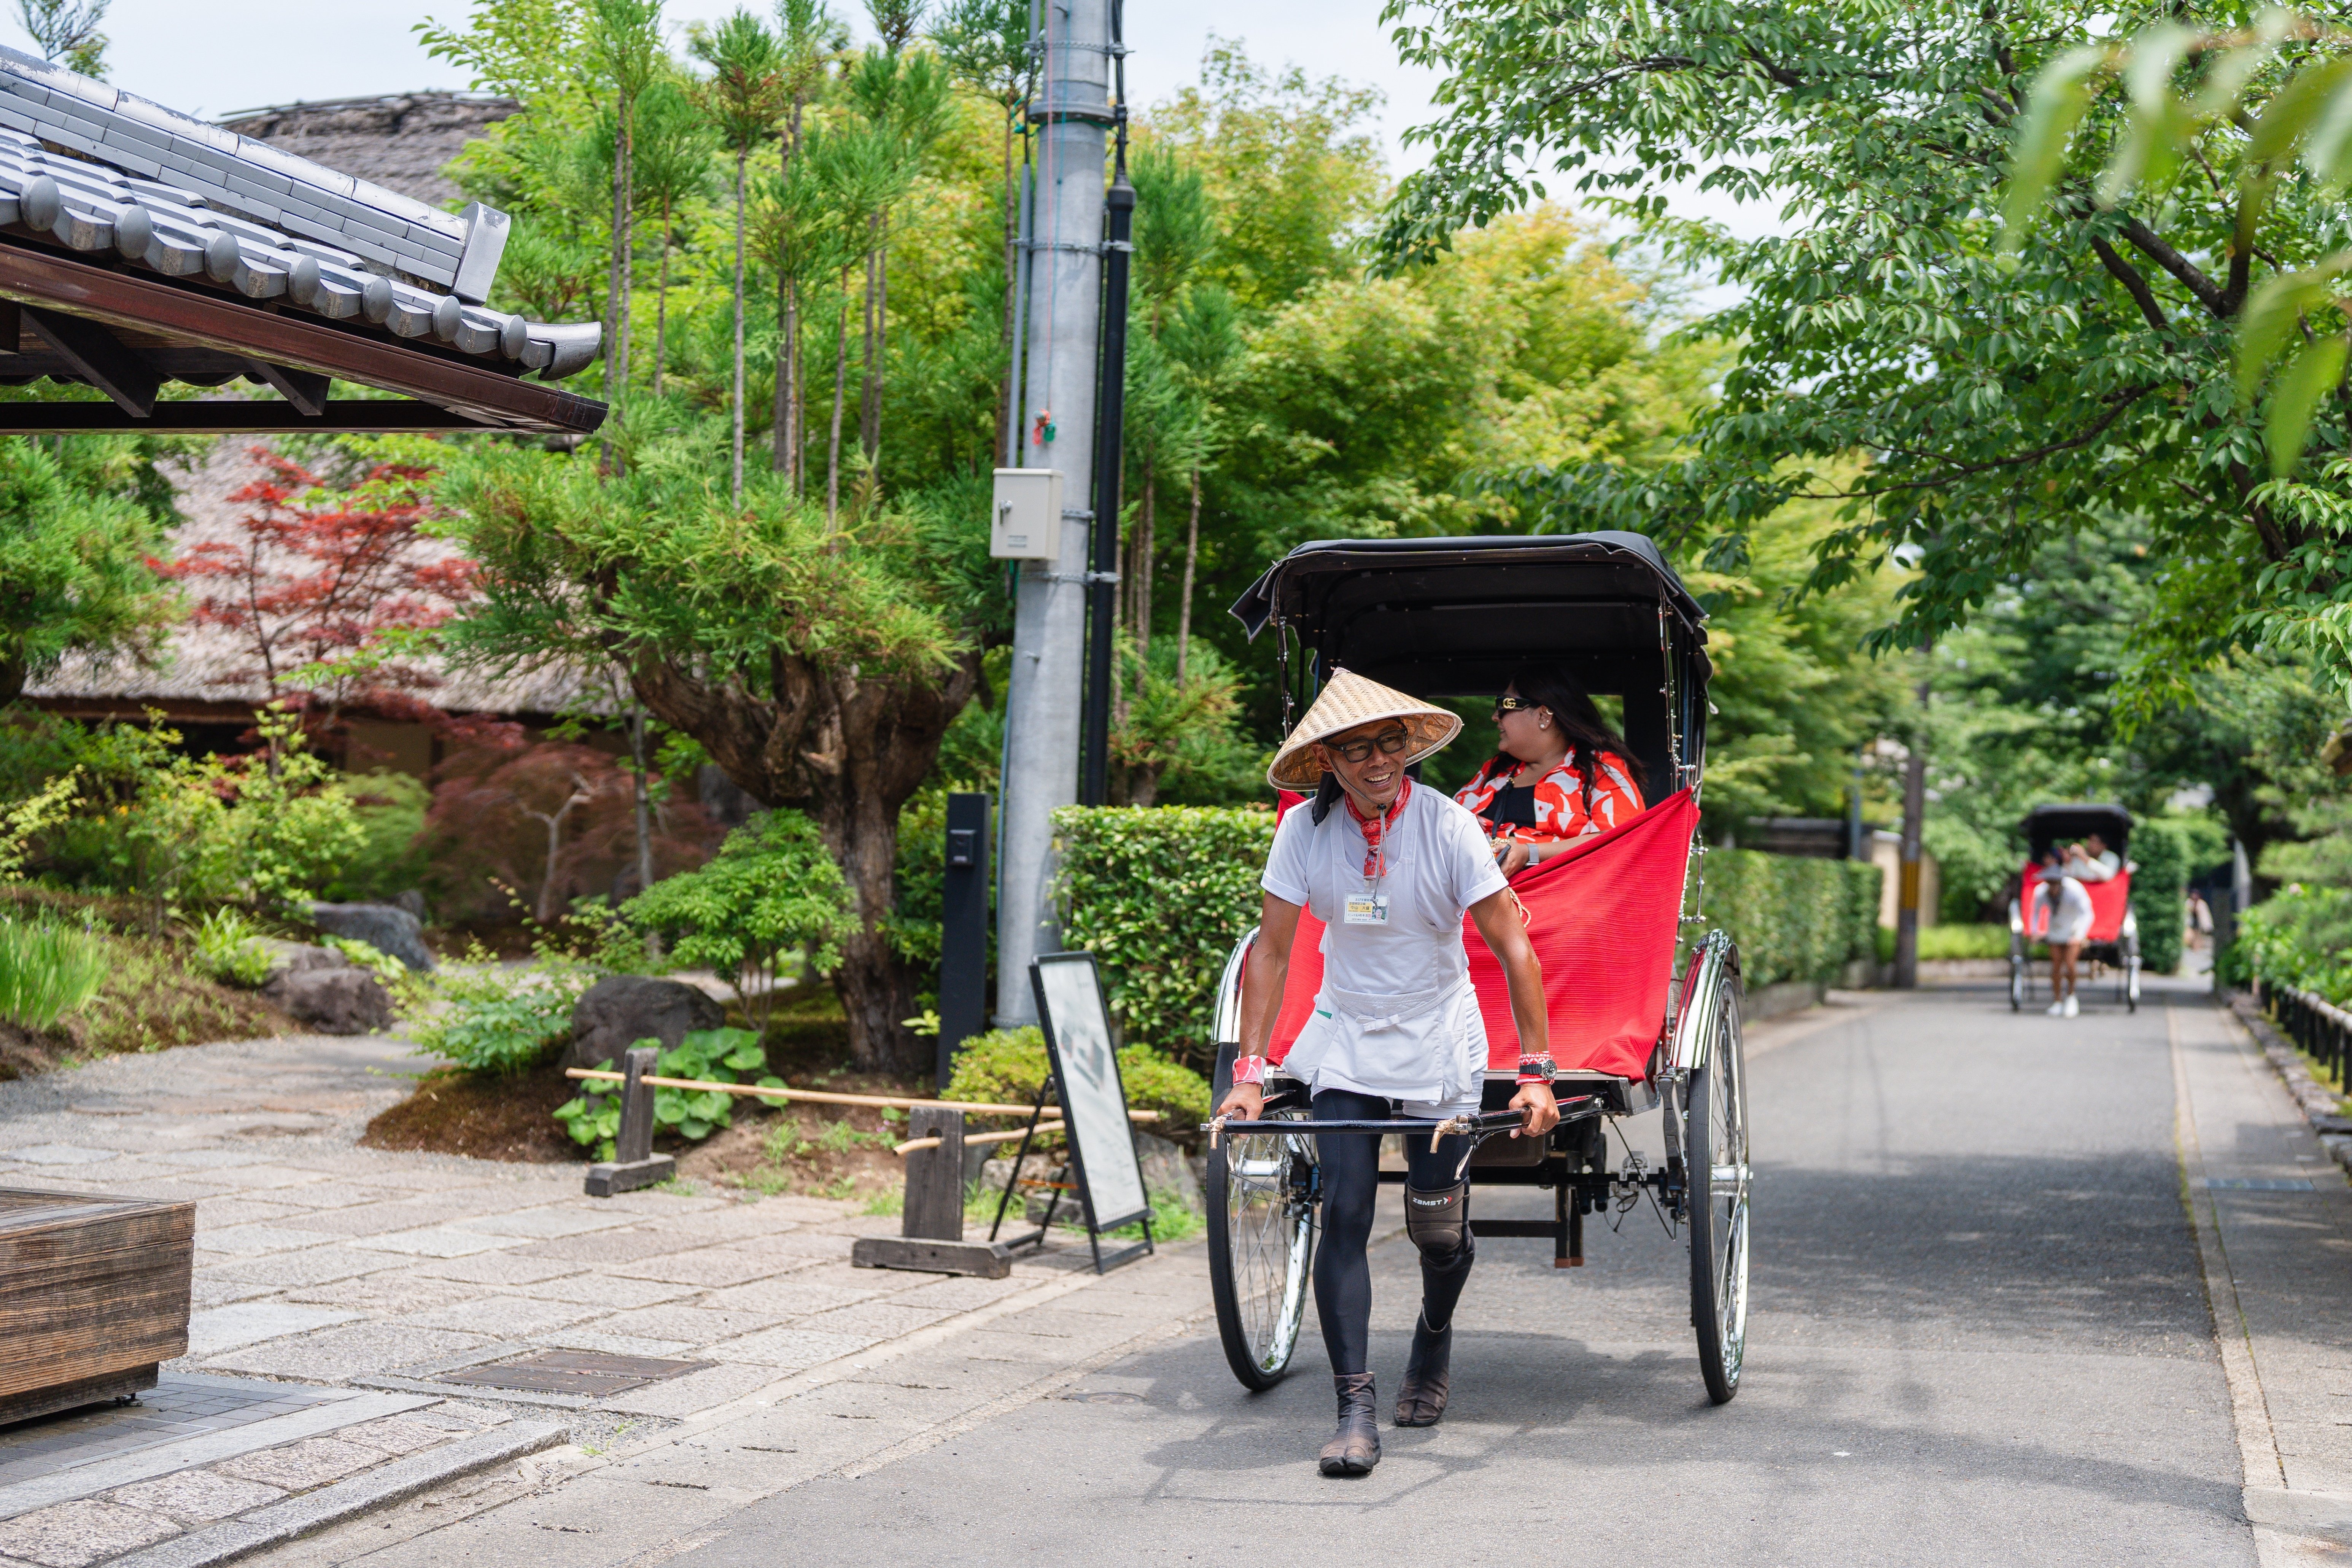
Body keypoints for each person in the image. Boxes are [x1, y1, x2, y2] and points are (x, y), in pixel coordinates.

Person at [1215, 668, 1560, 1477]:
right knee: (1344, 1214)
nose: (1376, 763)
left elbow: (1511, 943)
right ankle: (1353, 1409)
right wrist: (1251, 1071)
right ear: (1327, 762)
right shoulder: (1303, 831)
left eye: (1387, 745)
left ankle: (1432, 1340)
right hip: (1346, 1033)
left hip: (1439, 1036)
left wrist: (1535, 1072)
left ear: (1407, 747)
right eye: (1355, 750)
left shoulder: (1446, 827)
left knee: (1435, 1227)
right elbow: (1271, 950)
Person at [1453, 664, 1646, 876]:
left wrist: (1529, 853)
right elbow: (1449, 830)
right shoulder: (1495, 771)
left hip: (1567, 899)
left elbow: (1624, 839)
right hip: (1480, 898)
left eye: (1504, 705)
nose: (1495, 716)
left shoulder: (1600, 769)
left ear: (1544, 715)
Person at [2037, 849, 2093, 1017]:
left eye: (2056, 883)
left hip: (2073, 929)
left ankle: (2071, 996)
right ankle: (2057, 1000)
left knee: (2070, 964)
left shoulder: (2074, 890)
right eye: (2050, 883)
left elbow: (2087, 913)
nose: (2053, 887)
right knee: (2056, 966)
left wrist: (2080, 935)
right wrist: (2034, 932)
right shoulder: (2042, 892)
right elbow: (2035, 913)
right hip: (2056, 929)